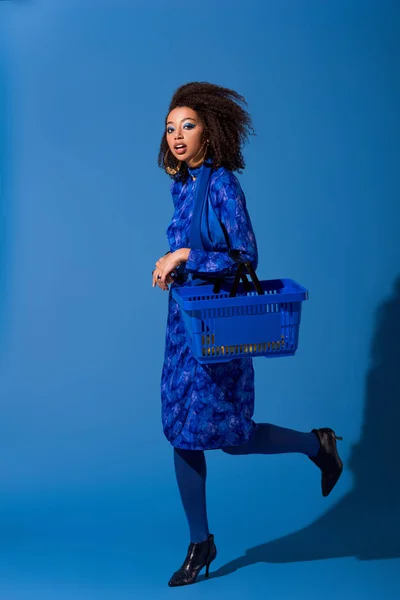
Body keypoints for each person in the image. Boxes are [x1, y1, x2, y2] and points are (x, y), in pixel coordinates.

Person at [152, 82, 343, 588]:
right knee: (180, 434)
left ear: (209, 135)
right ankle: (200, 544)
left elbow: (244, 257)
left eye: (187, 126)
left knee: (233, 438)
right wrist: (171, 266)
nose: (177, 135)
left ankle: (316, 445)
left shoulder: (222, 185)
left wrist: (186, 257)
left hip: (219, 329)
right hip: (183, 327)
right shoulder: (183, 184)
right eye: (171, 127)